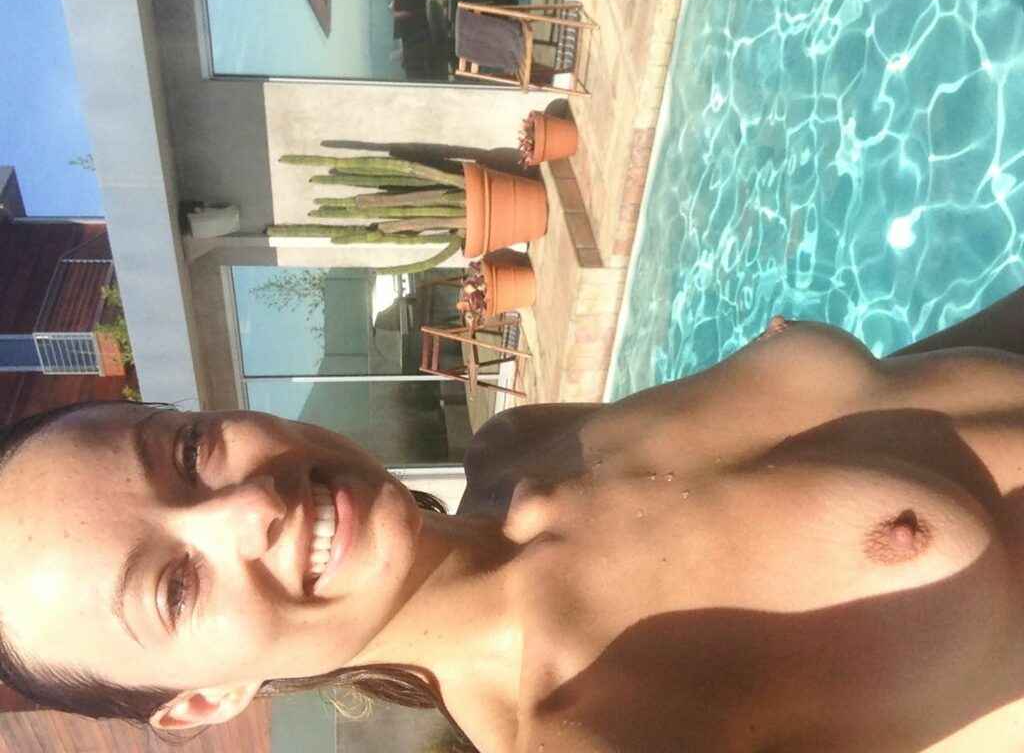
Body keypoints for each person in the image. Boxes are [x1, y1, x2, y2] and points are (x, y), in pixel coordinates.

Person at [4, 292, 1024, 752]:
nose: (248, 509)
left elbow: (920, 384)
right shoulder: (594, 729)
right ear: (205, 701)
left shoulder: (523, 443)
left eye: (186, 453)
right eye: (175, 586)